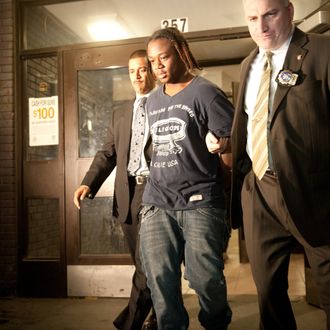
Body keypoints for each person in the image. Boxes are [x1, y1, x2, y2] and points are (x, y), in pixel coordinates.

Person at [208, 0, 330, 329]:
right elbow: (258, 125)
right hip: (259, 190)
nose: (261, 26)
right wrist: (227, 145)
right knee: (268, 292)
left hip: (316, 194)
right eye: (252, 18)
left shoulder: (323, 51)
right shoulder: (249, 63)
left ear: (289, 11)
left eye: (270, 14)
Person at [139, 27, 234, 330]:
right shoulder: (151, 101)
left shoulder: (206, 92)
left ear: (180, 52)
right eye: (153, 61)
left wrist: (224, 146)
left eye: (163, 58)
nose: (158, 67)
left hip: (201, 201)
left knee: (206, 280)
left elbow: (234, 148)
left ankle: (216, 324)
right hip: (157, 202)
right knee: (160, 282)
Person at [73, 49, 157, 330]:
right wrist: (88, 182)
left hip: (157, 195)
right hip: (128, 196)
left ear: (152, 71)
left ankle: (129, 323)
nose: (136, 75)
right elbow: (107, 153)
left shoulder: (165, 104)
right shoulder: (120, 113)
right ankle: (159, 316)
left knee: (147, 268)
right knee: (146, 266)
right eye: (132, 70)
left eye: (142, 69)